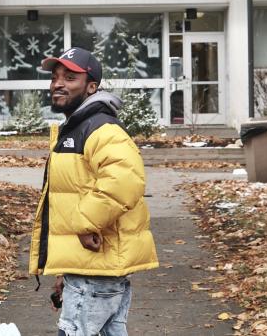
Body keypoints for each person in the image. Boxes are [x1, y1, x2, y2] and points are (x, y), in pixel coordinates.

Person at [29, 47, 158, 336]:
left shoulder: (101, 129)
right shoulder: (77, 128)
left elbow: (125, 181)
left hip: (98, 271)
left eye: (70, 77)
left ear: (91, 86)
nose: (58, 84)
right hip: (92, 270)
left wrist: (88, 223)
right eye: (55, 77)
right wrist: (66, 271)